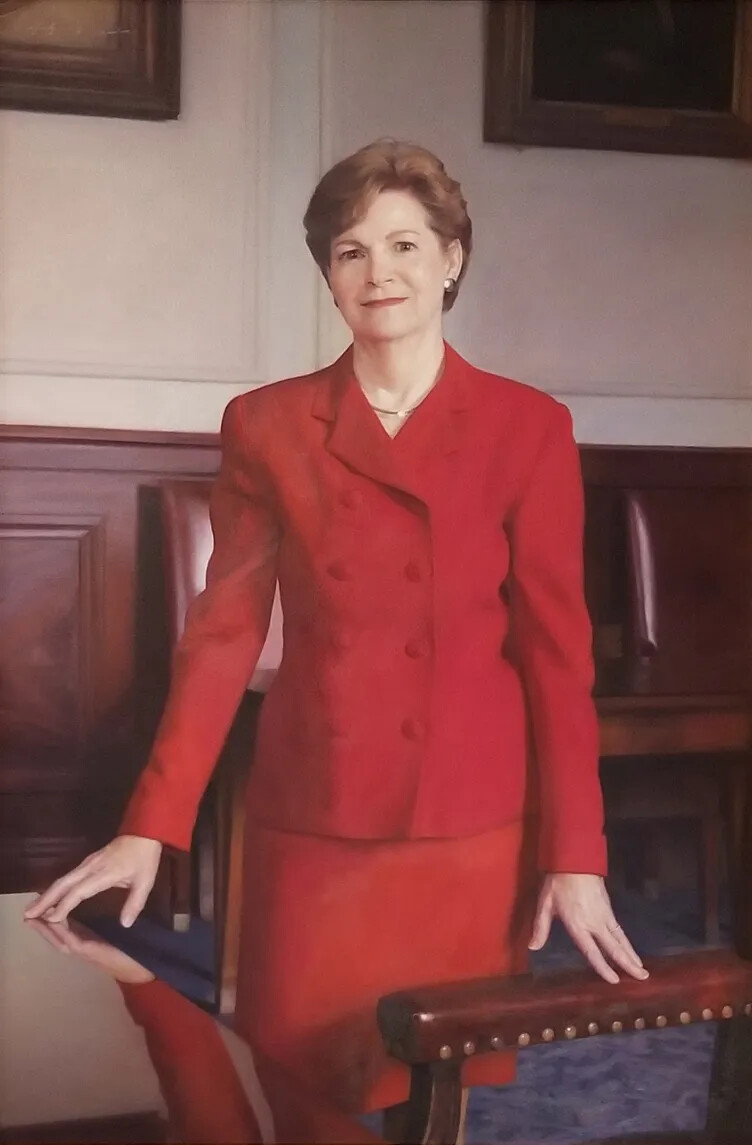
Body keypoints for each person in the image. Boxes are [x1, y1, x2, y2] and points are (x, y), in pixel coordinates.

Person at [26, 139, 647, 1114]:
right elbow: (222, 636)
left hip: (466, 825)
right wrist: (152, 824)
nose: (377, 271)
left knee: (424, 1095)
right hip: (316, 817)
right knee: (302, 1073)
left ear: (451, 260)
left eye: (404, 244)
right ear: (326, 274)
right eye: (350, 250)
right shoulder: (267, 425)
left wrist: (573, 854)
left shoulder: (526, 427)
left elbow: (554, 657)